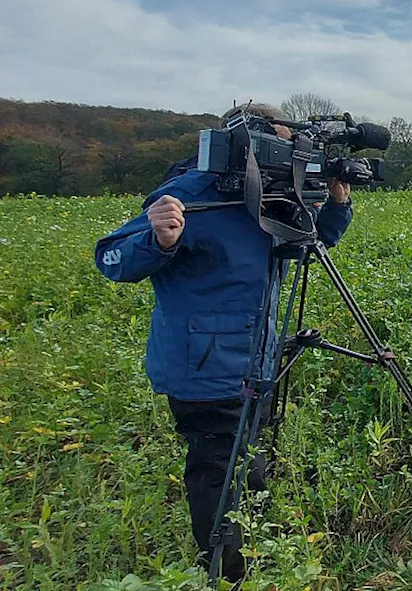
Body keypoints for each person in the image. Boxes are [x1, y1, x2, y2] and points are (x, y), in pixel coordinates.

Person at [94, 103, 354, 583]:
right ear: (244, 143)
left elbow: (305, 243)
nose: (286, 158)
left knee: (247, 451)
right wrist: (160, 238)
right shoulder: (188, 193)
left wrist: (337, 204)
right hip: (205, 367)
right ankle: (227, 569)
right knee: (218, 468)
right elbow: (111, 259)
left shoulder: (273, 195)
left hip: (258, 356)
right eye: (278, 146)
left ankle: (253, 533)